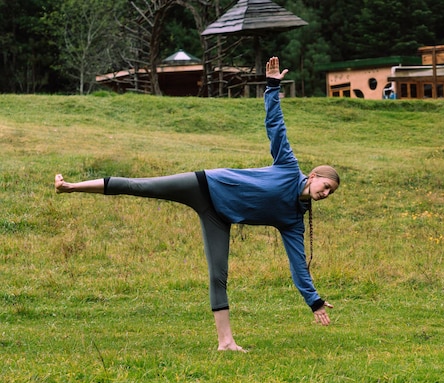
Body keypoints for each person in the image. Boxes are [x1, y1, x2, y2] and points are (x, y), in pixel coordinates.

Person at [55, 56, 340, 352]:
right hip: (204, 185)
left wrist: (314, 300)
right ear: (314, 175)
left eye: (330, 193)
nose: (326, 193)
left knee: (219, 273)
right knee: (141, 186)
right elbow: (275, 126)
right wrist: (271, 86)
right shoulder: (287, 166)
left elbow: (297, 265)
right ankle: (70, 187)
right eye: (326, 186)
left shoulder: (293, 220)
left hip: (218, 217)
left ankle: (225, 342)